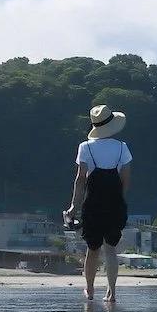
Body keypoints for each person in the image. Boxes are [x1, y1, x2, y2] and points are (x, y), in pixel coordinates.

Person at [64, 104, 131, 301]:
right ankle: (111, 292)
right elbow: (126, 179)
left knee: (92, 249)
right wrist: (120, 198)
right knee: (110, 249)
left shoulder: (85, 147)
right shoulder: (122, 147)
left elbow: (80, 180)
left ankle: (90, 289)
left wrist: (73, 207)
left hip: (92, 204)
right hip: (115, 203)